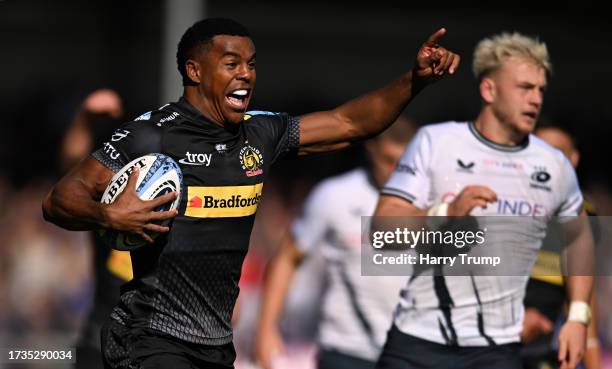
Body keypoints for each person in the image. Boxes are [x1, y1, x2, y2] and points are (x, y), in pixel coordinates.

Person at [41, 18, 460, 369]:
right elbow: (60, 198)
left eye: (251, 64)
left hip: (217, 342)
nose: (246, 73)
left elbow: (350, 123)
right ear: (195, 71)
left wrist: (414, 81)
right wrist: (109, 216)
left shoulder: (260, 132)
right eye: (231, 63)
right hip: (151, 337)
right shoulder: (152, 133)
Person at [373, 32, 593, 369]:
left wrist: (578, 316)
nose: (536, 99)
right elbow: (382, 232)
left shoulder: (554, 164)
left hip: (496, 350)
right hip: (418, 341)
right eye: (524, 88)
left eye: (540, 90)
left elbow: (579, 238)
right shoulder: (437, 142)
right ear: (489, 90)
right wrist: (445, 212)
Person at [254, 117, 417, 369]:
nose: (395, 169)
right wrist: (265, 331)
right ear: (370, 150)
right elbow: (287, 257)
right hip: (345, 351)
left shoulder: (431, 200)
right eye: (388, 160)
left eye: (404, 162)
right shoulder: (334, 196)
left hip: (408, 352)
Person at [59, 88, 134, 369]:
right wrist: (85, 118)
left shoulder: (179, 204)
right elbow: (72, 170)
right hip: (101, 341)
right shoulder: (108, 199)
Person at [521, 125, 601, 369]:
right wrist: (513, 321)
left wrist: (592, 358)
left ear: (573, 159)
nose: (545, 161)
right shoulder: (503, 204)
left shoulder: (584, 216)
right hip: (487, 346)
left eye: (556, 153)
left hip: (540, 351)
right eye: (537, 151)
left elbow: (580, 294)